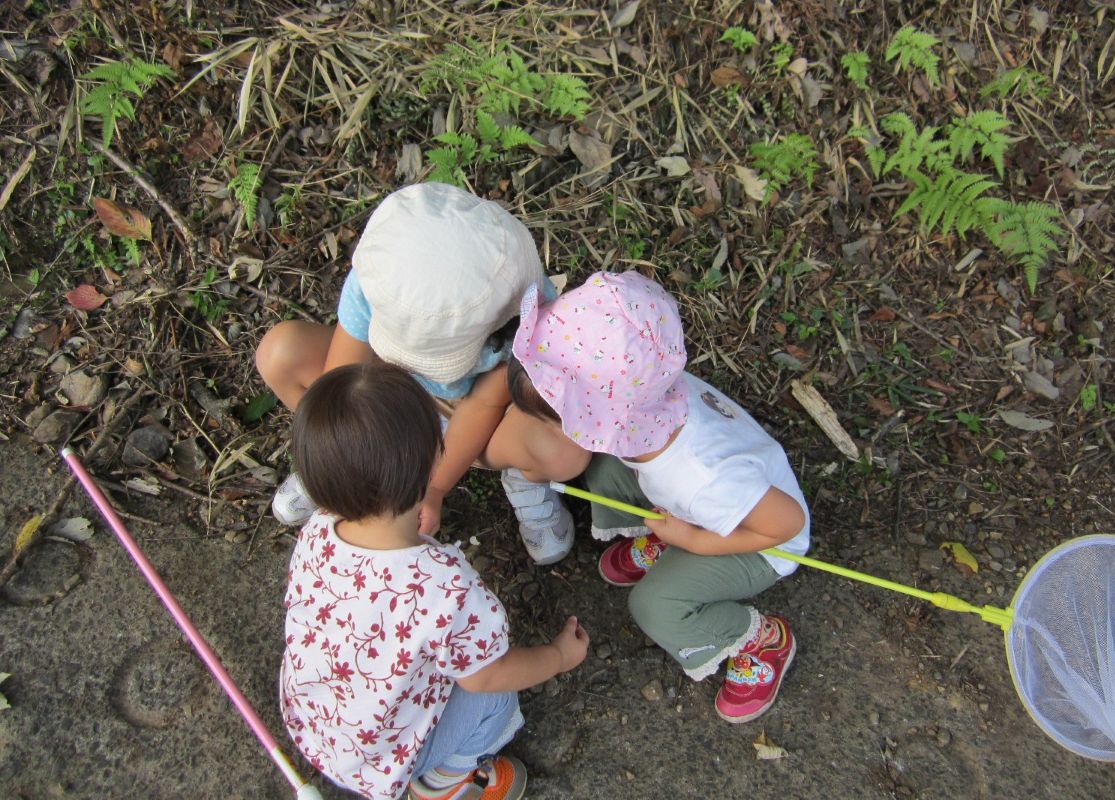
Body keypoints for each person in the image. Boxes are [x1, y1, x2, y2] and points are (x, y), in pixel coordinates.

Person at [508, 271, 811, 723]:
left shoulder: (703, 476)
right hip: (704, 504)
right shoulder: (644, 383)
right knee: (604, 467)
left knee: (654, 607)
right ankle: (670, 544)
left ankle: (761, 640)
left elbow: (787, 525)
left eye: (559, 415)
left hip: (758, 542)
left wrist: (695, 540)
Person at [280, 362, 590, 800]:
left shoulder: (317, 531)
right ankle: (442, 783)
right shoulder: (446, 588)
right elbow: (485, 677)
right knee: (495, 702)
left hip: (312, 723)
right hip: (384, 761)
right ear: (432, 461)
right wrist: (558, 656)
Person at [255, 182, 592, 565]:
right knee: (279, 353)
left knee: (565, 451)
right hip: (384, 390)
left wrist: (435, 488)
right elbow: (344, 380)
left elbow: (483, 403)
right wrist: (343, 454)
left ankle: (522, 473)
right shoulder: (385, 276)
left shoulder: (521, 310)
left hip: (476, 412)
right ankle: (335, 459)